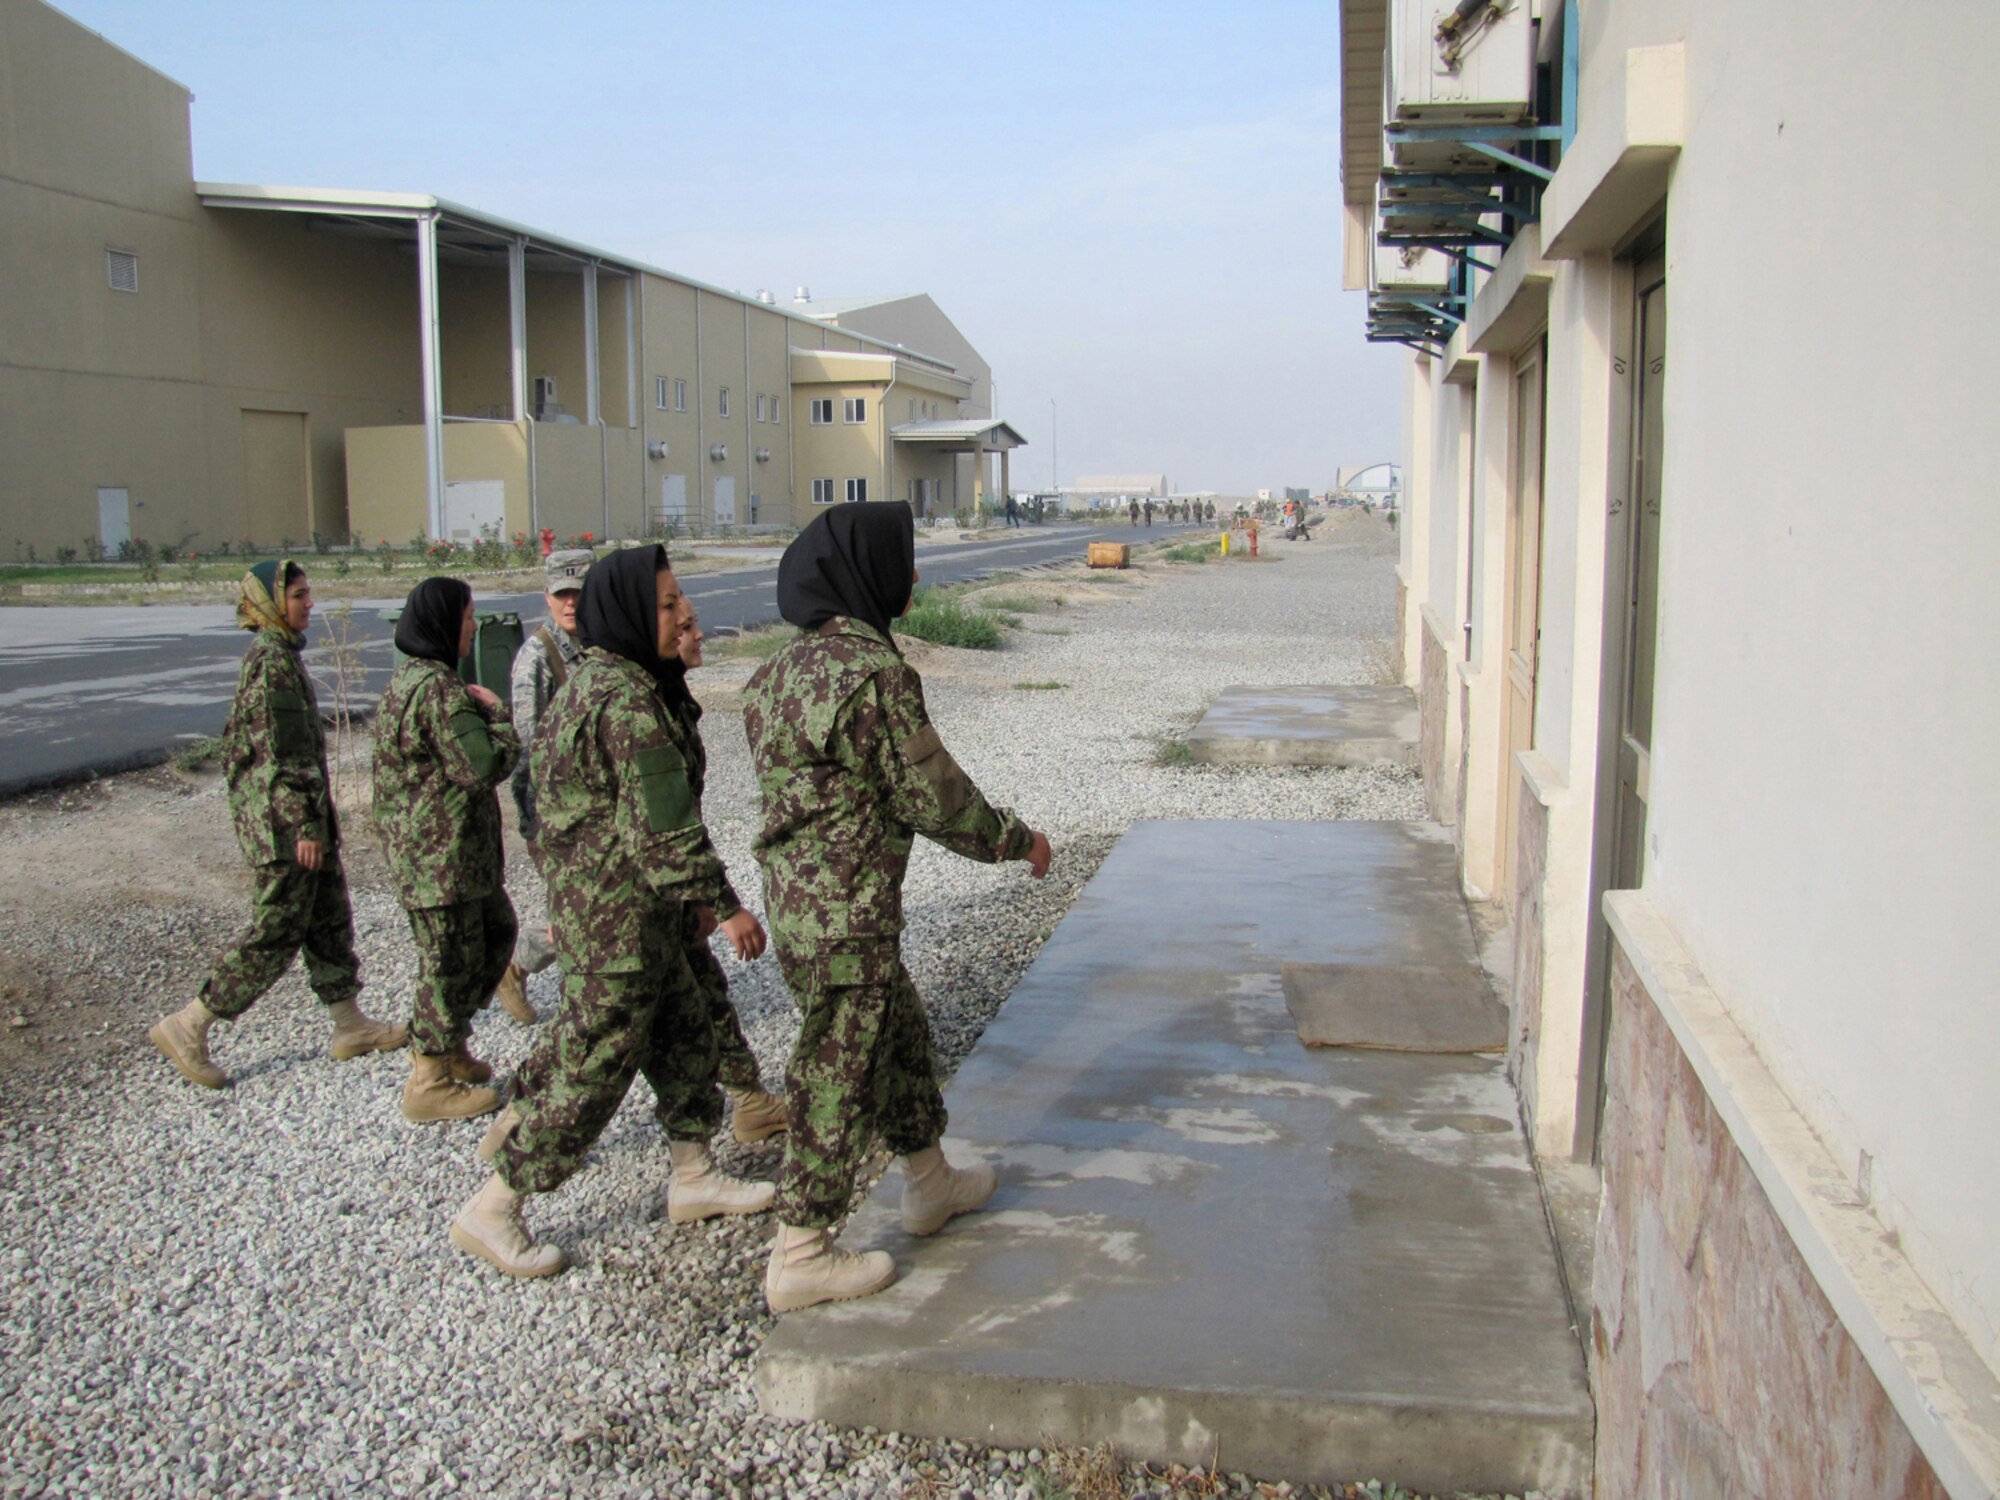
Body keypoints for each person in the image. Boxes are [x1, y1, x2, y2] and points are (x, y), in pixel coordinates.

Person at [743, 505, 1053, 1312]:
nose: (911, 577)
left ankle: (929, 1182)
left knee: (901, 1037)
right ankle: (802, 1250)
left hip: (801, 913)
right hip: (849, 916)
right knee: (836, 1075)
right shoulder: (873, 675)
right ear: (864, 572)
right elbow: (935, 796)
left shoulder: (778, 674)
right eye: (901, 562)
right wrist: (1018, 841)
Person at [452, 546, 773, 1279]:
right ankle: (496, 1206)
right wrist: (723, 906)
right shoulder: (625, 701)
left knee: (687, 1035)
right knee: (595, 1068)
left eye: (680, 598)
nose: (683, 613)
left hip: (638, 912)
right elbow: (663, 829)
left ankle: (694, 1174)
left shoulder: (620, 680)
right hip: (618, 922)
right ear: (629, 611)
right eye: (666, 605)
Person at [149, 560, 406, 1089]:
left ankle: (349, 1023)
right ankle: (190, 1024)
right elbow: (282, 755)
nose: (309, 603)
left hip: (298, 818)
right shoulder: (272, 664)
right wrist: (304, 826)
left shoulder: (280, 655)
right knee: (278, 929)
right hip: (284, 827)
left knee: (328, 914)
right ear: (270, 603)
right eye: (299, 595)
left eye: (309, 593)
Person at [374, 577, 519, 1122]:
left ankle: (449, 1042)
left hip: (447, 858)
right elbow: (482, 765)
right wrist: (499, 718)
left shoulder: (412, 682)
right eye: (466, 617)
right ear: (440, 623)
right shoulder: (438, 691)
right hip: (441, 862)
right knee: (447, 962)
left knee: (495, 934)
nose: (472, 628)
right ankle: (428, 1078)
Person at [670, 605, 790, 1143]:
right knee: (603, 1041)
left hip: (665, 888)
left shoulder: (669, 700)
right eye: (685, 628)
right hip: (628, 901)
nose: (700, 634)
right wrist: (724, 907)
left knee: (704, 994)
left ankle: (746, 1103)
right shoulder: (638, 709)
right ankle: (517, 1143)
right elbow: (670, 826)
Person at [494, 548, 593, 1023]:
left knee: (593, 906)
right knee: (579, 911)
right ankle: (516, 967)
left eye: (579, 593)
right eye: (562, 595)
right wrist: (534, 825)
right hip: (557, 817)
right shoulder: (538, 657)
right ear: (547, 599)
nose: (570, 604)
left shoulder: (600, 646)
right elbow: (525, 750)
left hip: (596, 810)